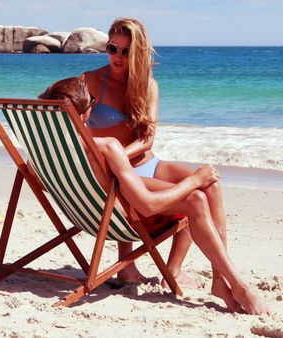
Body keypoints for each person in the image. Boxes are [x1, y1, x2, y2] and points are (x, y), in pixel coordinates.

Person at [39, 77, 269, 315]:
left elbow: (44, 185)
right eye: (92, 103)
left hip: (85, 216)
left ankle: (223, 281)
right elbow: (148, 206)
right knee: (196, 198)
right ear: (84, 114)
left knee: (194, 193)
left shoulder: (42, 151)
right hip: (121, 222)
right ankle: (238, 285)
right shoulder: (107, 147)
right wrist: (195, 180)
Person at [82, 17, 229, 292]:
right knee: (190, 195)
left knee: (211, 183)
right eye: (112, 48)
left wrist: (119, 156)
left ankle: (193, 274)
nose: (117, 57)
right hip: (113, 170)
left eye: (125, 51)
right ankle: (132, 267)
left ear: (138, 53)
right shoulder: (90, 80)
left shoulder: (147, 85)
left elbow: (147, 140)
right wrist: (114, 160)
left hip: (143, 164)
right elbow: (71, 124)